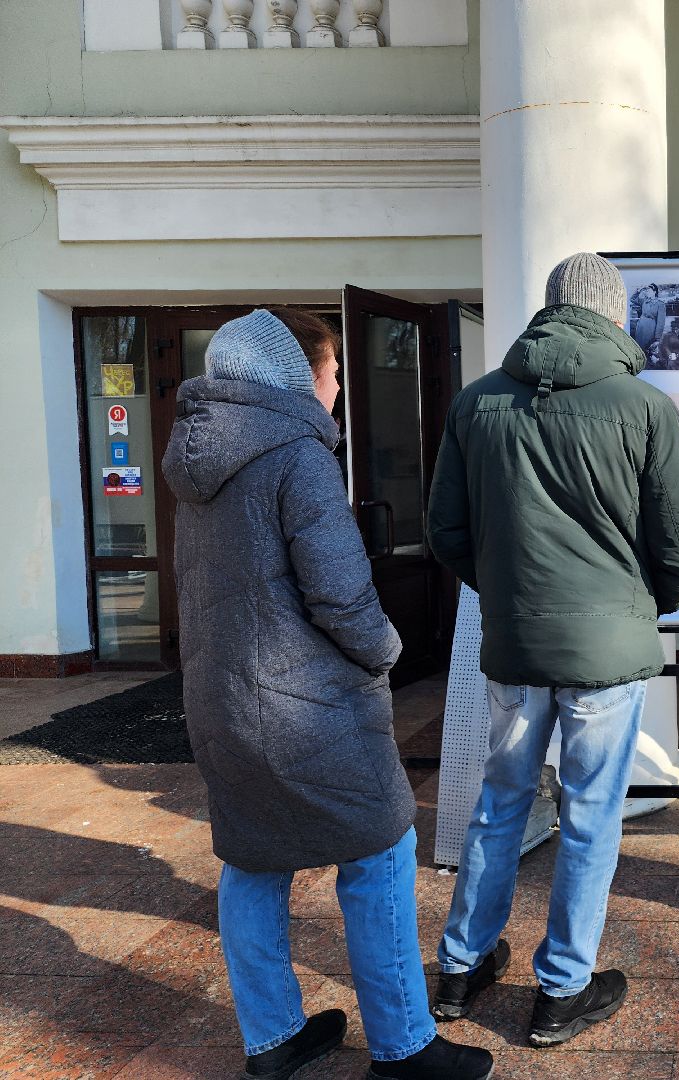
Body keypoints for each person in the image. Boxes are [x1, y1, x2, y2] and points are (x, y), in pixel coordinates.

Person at [162, 308, 493, 1080]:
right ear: (299, 376)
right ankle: (405, 1045)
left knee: (253, 862)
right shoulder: (297, 456)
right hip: (303, 707)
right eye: (336, 369)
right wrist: (388, 652)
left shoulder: (193, 459)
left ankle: (272, 1038)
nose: (340, 384)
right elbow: (341, 596)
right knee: (381, 851)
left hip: (220, 702)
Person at [427, 253, 679, 1046]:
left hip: (515, 645)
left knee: (499, 804)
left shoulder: (477, 404)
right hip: (606, 653)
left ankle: (458, 967)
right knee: (590, 815)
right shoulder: (644, 407)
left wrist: (509, 593)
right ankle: (561, 989)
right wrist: (647, 604)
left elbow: (445, 531)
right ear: (614, 317)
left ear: (551, 311)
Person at [630, 283, 664, 354]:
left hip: (650, 328)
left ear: (654, 292)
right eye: (647, 290)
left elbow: (661, 322)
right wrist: (638, 291)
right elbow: (632, 299)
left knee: (648, 349)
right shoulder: (644, 301)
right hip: (640, 327)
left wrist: (657, 338)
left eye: (649, 290)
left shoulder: (660, 304)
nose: (647, 292)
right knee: (639, 347)